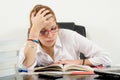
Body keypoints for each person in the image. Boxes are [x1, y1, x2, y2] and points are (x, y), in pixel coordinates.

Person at [18, 4, 111, 70]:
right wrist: (34, 32)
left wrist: (77, 62)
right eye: (42, 31)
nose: (50, 36)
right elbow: (26, 67)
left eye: (53, 28)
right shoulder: (29, 45)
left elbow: (105, 58)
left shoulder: (70, 36)